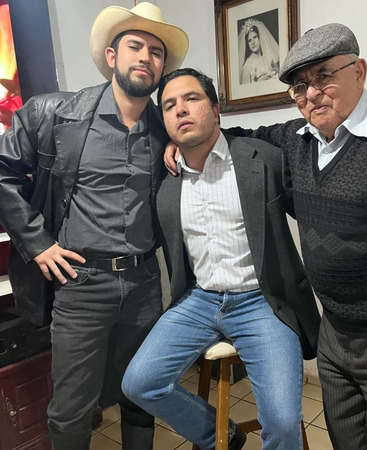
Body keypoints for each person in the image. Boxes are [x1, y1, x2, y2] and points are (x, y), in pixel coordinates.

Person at [165, 23, 367, 450]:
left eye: (324, 76)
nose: (311, 93)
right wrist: (183, 144)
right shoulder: (296, 141)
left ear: (359, 71)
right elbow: (239, 139)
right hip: (333, 336)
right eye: (300, 86)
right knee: (348, 442)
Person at [0, 3, 188, 450]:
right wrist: (37, 242)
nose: (145, 57)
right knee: (71, 408)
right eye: (135, 46)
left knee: (141, 394)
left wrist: (179, 146)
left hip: (144, 283)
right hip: (80, 283)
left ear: (162, 68)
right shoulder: (53, 113)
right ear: (111, 55)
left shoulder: (165, 127)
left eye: (156, 52)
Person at [122, 68, 320, 450]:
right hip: (199, 300)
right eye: (169, 105)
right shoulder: (164, 180)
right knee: (139, 383)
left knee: (282, 423)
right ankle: (221, 435)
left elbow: (313, 206)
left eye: (191, 99)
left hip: (262, 302)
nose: (180, 109)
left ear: (215, 109)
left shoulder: (262, 159)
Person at [239, 18, 279, 84]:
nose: (253, 42)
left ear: (260, 37)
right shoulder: (247, 66)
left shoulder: (269, 56)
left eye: (255, 37)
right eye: (249, 40)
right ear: (247, 44)